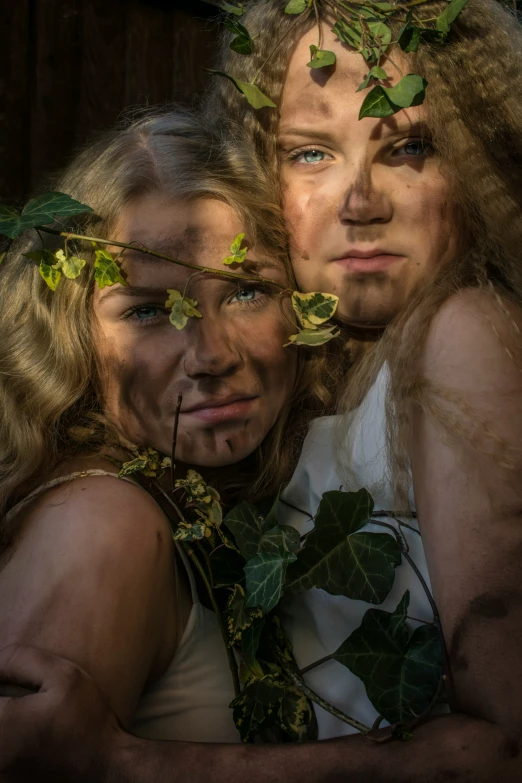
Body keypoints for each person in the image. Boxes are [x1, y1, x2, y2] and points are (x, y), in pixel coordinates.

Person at [3, 0, 522, 779]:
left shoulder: (451, 336)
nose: (360, 202)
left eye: (410, 144)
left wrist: (127, 759)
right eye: (310, 154)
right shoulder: (120, 509)